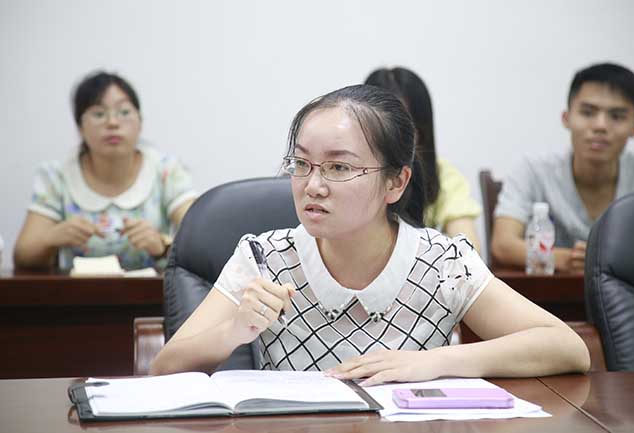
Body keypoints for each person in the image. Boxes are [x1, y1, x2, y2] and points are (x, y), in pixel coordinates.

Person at [150, 85, 589, 384]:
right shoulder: (264, 257)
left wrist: (432, 362)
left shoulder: (442, 263)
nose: (312, 185)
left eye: (338, 167)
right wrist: (234, 330)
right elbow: (163, 370)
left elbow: (567, 347)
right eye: (301, 163)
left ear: (396, 183)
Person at [13, 71, 197, 271]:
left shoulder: (167, 171)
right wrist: (52, 237)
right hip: (77, 290)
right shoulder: (56, 177)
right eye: (99, 114)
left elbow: (203, 242)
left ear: (140, 123)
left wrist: (163, 246)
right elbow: (23, 257)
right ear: (80, 127)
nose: (113, 123)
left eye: (124, 112)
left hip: (154, 290)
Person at [492, 63, 634, 273]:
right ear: (566, 118)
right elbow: (502, 244)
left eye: (617, 116)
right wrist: (562, 259)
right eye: (588, 112)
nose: (600, 126)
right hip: (550, 292)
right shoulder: (533, 171)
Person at [365, 67, 482, 250]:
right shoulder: (349, 174)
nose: (394, 137)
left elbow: (469, 250)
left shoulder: (443, 175)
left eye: (406, 126)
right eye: (384, 127)